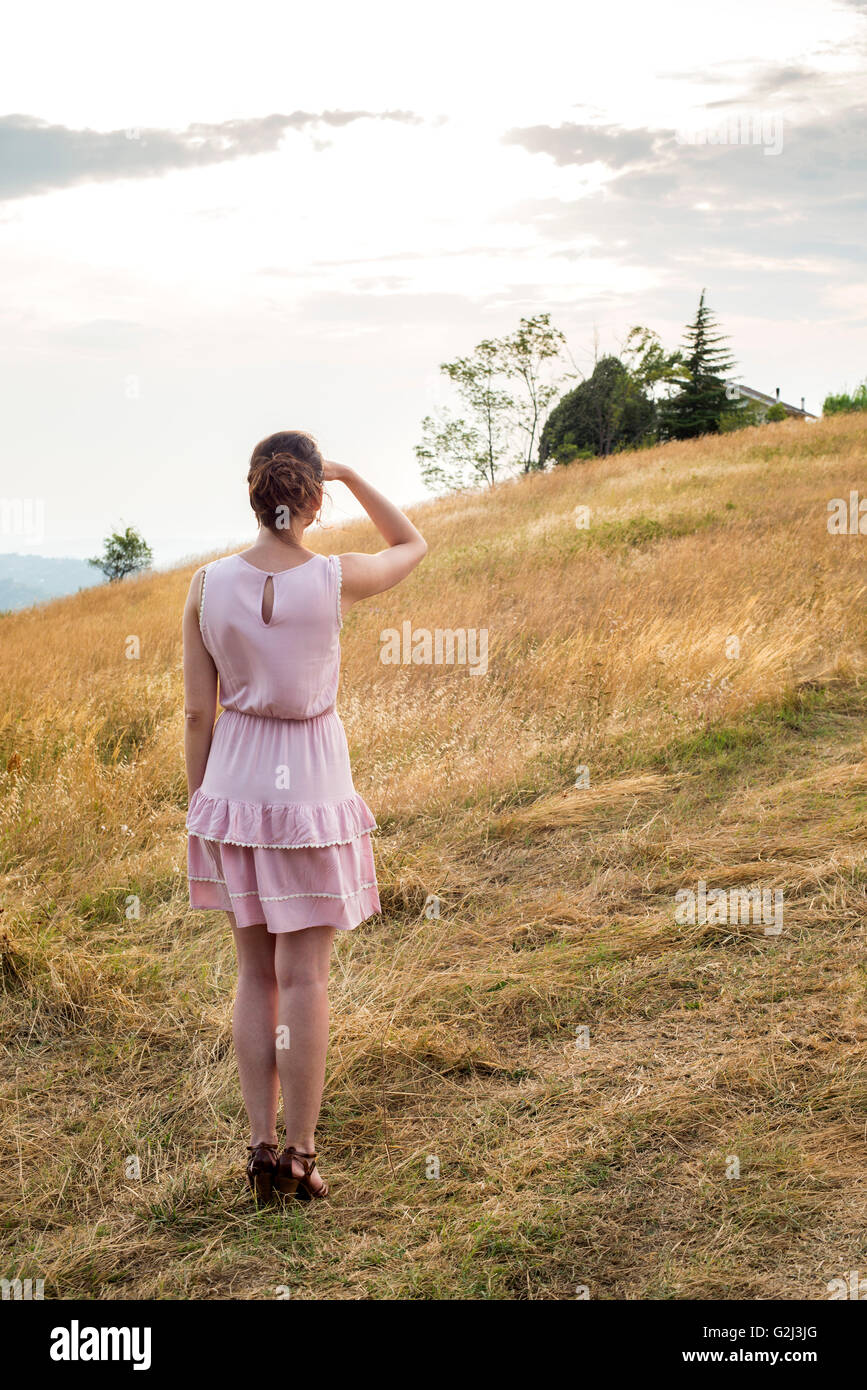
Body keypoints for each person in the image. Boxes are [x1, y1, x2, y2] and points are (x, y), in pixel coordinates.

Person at [182, 430, 427, 1201]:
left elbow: (197, 712)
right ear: (312, 496)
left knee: (254, 974)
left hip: (233, 783)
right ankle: (300, 1157)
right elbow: (412, 542)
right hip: (310, 783)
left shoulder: (203, 584)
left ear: (252, 493)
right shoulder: (335, 578)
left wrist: (203, 807)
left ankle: (258, 1153)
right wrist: (352, 471)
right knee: (306, 977)